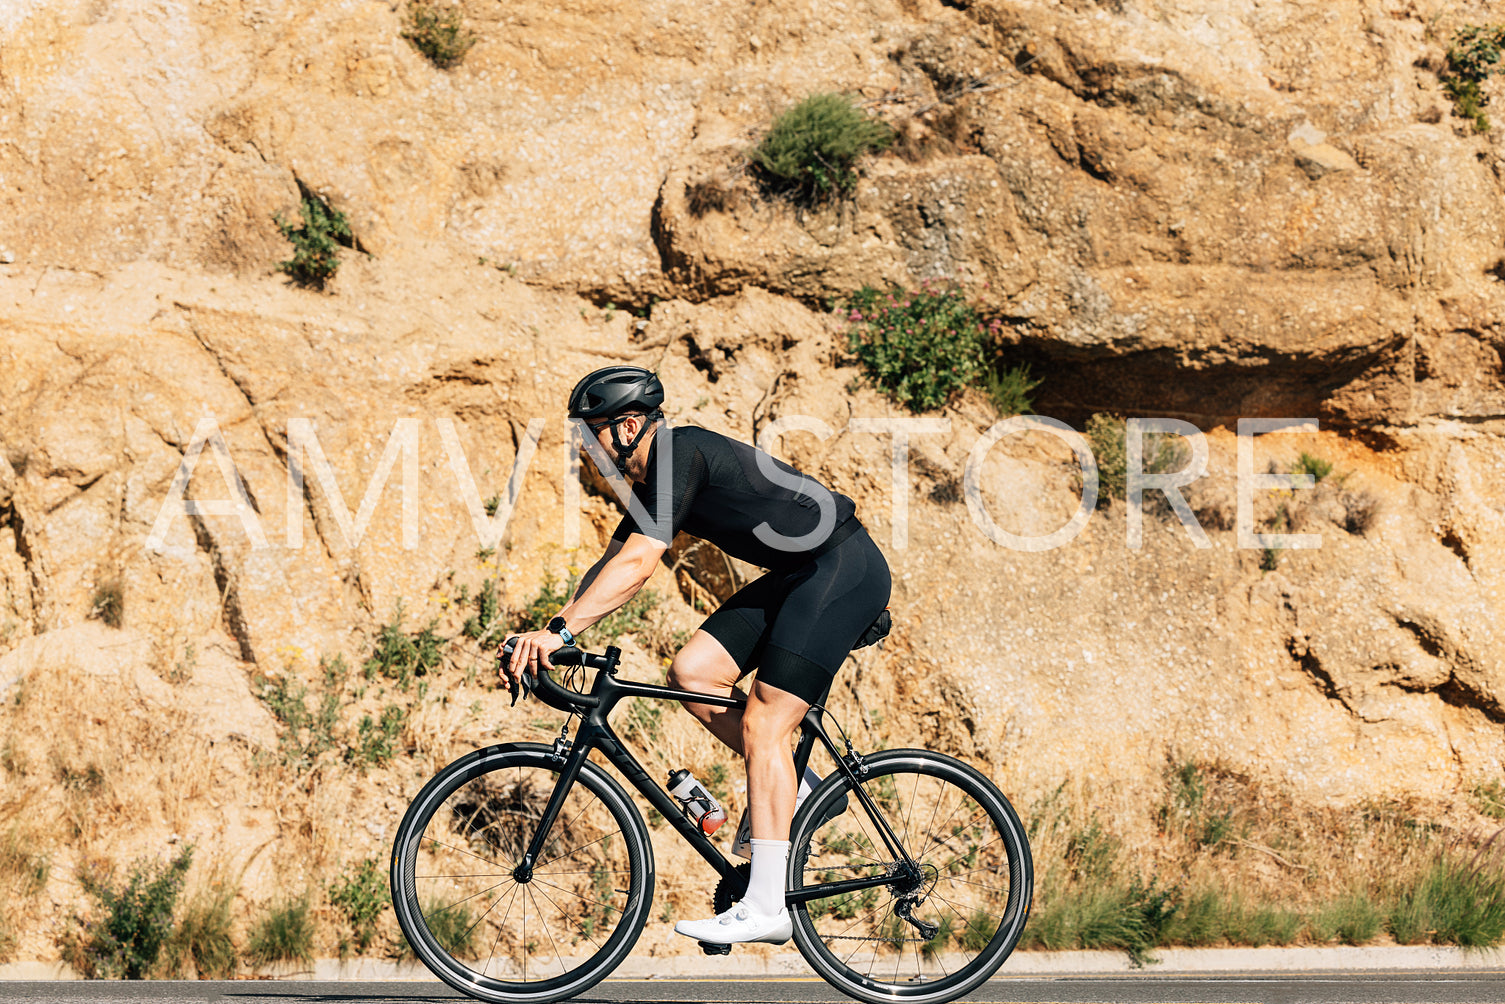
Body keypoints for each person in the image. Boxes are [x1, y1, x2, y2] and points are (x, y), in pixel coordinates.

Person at [500, 365, 892, 946]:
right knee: (693, 672)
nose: (585, 448)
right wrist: (551, 630)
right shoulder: (653, 479)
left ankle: (767, 906)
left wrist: (560, 631)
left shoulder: (678, 453)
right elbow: (611, 564)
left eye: (591, 434)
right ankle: (802, 786)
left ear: (629, 425)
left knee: (764, 723)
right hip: (798, 574)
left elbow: (640, 564)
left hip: (840, 569)